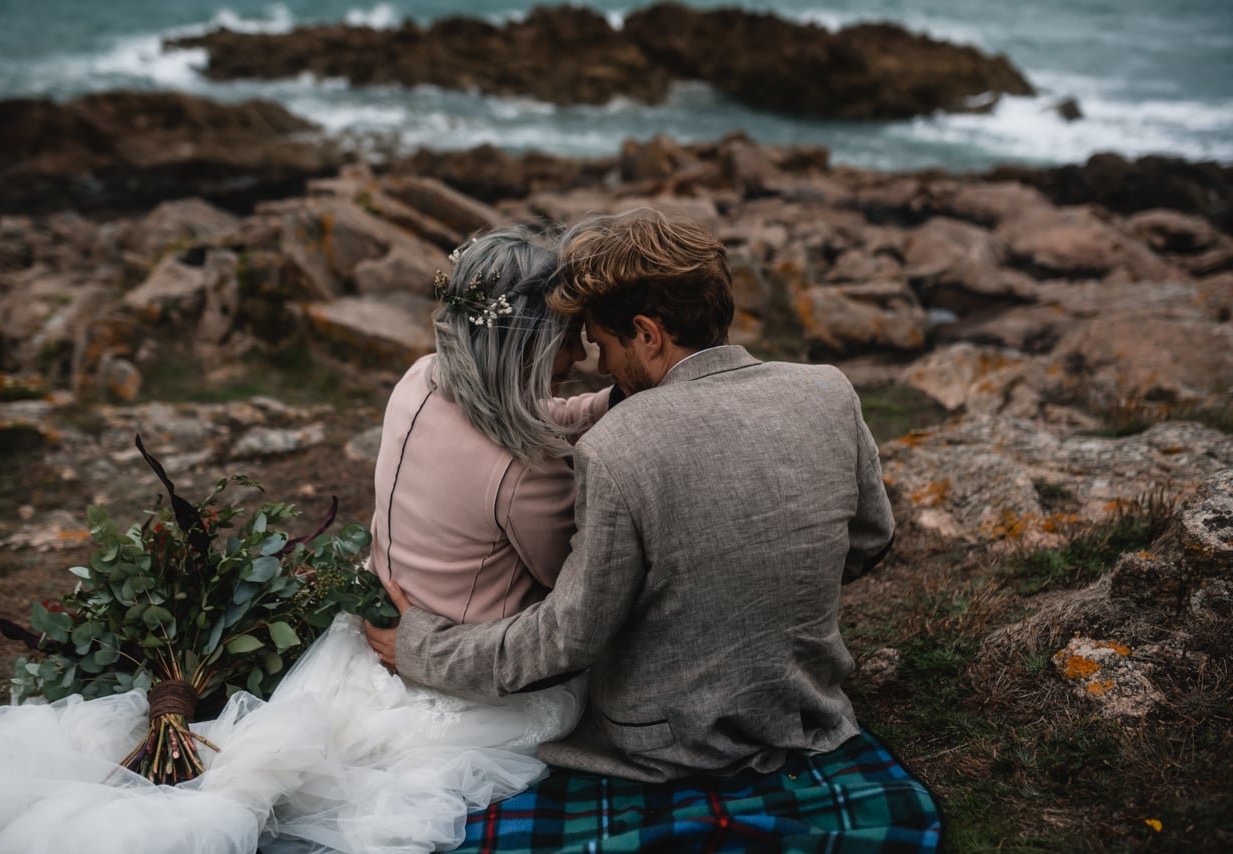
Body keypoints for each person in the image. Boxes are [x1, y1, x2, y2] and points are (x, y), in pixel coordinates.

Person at [0, 224, 612, 854]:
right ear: (521, 350)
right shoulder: (528, 476)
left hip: (369, 636)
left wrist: (605, 403)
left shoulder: (421, 381)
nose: (578, 357)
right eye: (566, 340)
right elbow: (570, 587)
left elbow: (519, 412)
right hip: (465, 669)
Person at [368, 207, 898, 785]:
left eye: (600, 344)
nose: (595, 364)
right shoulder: (828, 390)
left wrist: (422, 649)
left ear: (647, 334)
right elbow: (870, 539)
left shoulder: (617, 447)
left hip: (671, 740)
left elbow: (569, 636)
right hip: (808, 704)